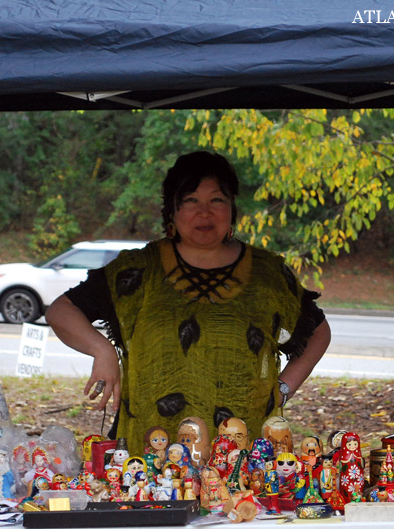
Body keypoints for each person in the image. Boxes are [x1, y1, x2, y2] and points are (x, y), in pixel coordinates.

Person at [46, 151, 331, 456]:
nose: (204, 213)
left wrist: (283, 389)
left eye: (217, 200)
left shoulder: (267, 273)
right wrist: (101, 350)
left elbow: (318, 331)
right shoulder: (139, 270)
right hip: (152, 452)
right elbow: (61, 311)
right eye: (191, 201)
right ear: (172, 210)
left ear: (232, 208)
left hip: (243, 456)